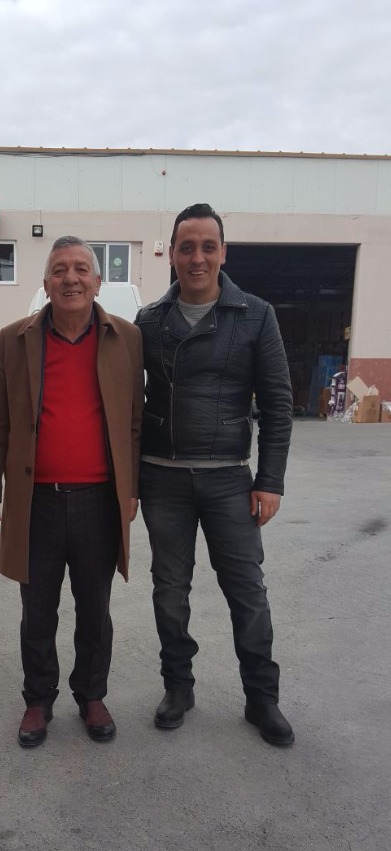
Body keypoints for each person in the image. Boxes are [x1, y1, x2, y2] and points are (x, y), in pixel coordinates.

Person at [0, 236, 144, 748]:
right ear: (46, 284)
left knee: (95, 609)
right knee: (37, 610)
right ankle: (38, 700)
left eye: (81, 269)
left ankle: (92, 696)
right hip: (36, 503)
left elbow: (134, 423)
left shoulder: (127, 338)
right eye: (59, 270)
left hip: (99, 502)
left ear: (98, 281)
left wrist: (131, 488)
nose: (71, 278)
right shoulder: (15, 339)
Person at [136, 204, 295, 747]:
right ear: (173, 254)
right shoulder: (149, 322)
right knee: (169, 592)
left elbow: (277, 404)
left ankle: (262, 698)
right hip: (162, 479)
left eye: (208, 246)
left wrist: (270, 480)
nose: (198, 257)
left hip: (230, 479)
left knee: (247, 592)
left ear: (224, 253)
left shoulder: (256, 315)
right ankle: (178, 688)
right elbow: (126, 403)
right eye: (187, 247)